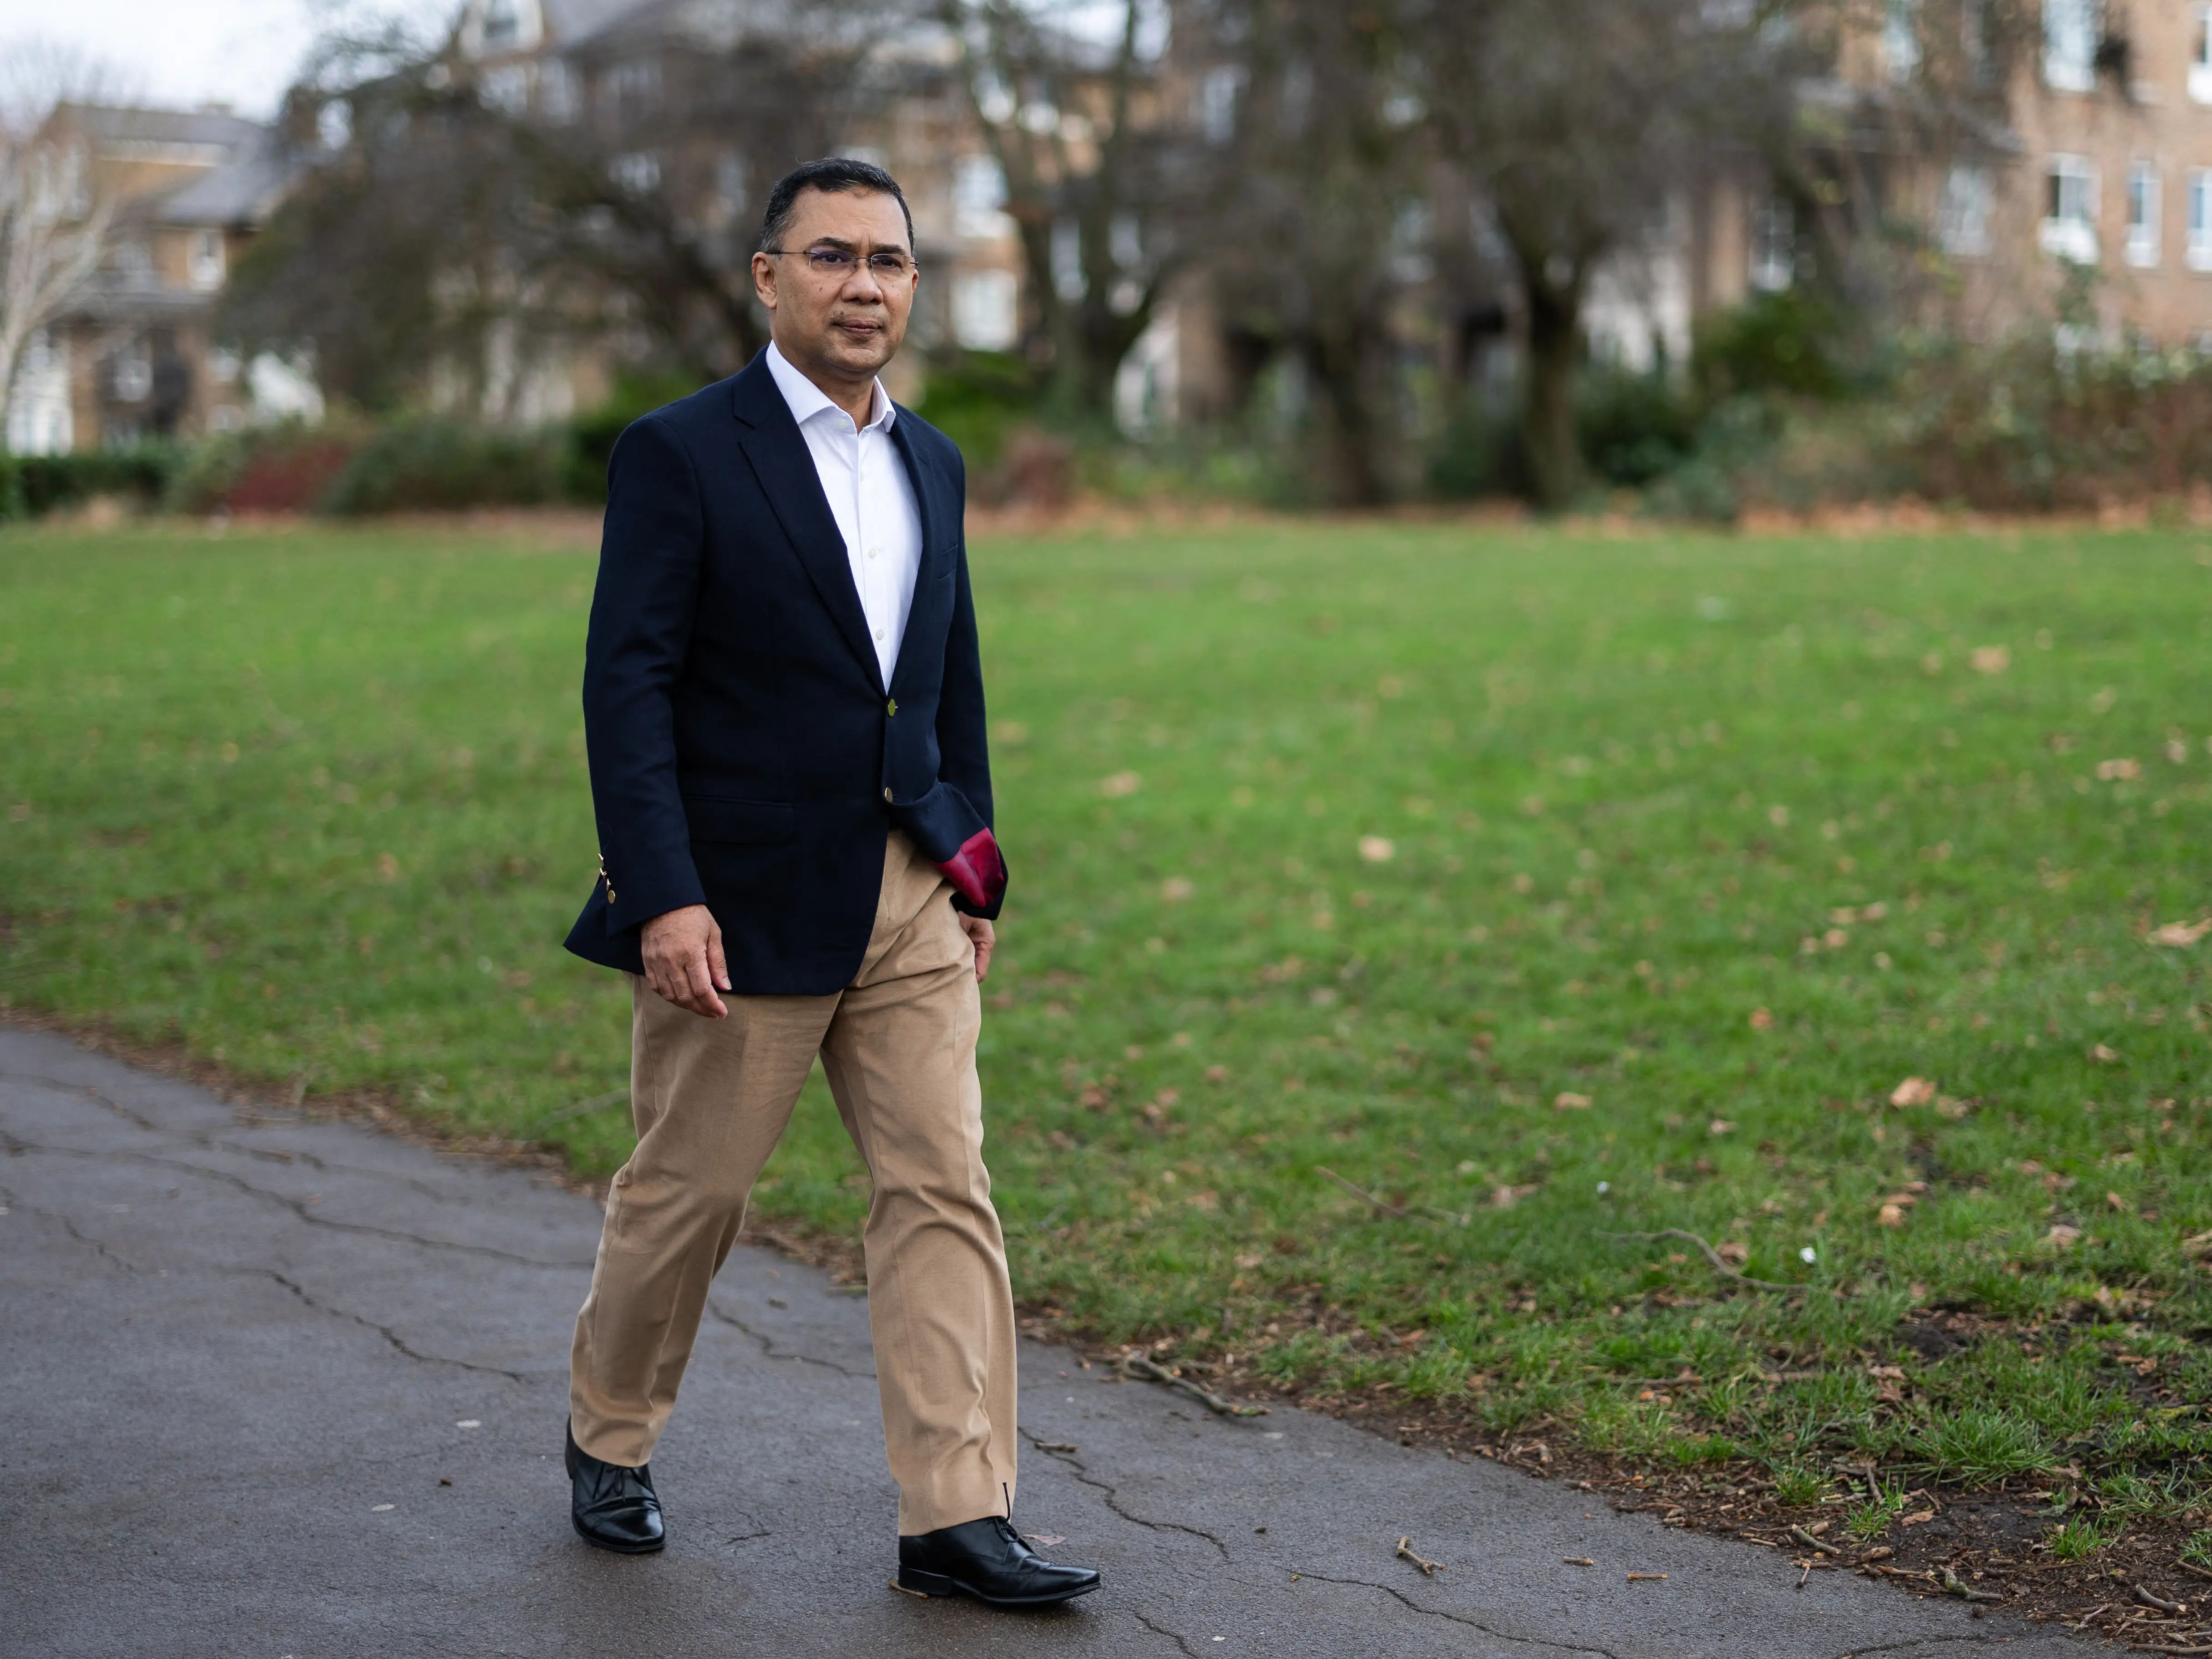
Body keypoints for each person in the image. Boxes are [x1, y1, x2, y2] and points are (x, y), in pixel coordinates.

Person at [557, 157, 1098, 1609]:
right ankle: (608, 1434)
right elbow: (630, 690)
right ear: (769, 276)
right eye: (834, 257)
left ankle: (956, 1515)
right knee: (692, 1196)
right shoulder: (680, 453)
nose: (866, 285)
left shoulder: (933, 460)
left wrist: (974, 870)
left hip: (913, 891)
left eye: (892, 262)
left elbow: (946, 684)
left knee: (943, 1192)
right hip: (735, 909)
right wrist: (662, 894)